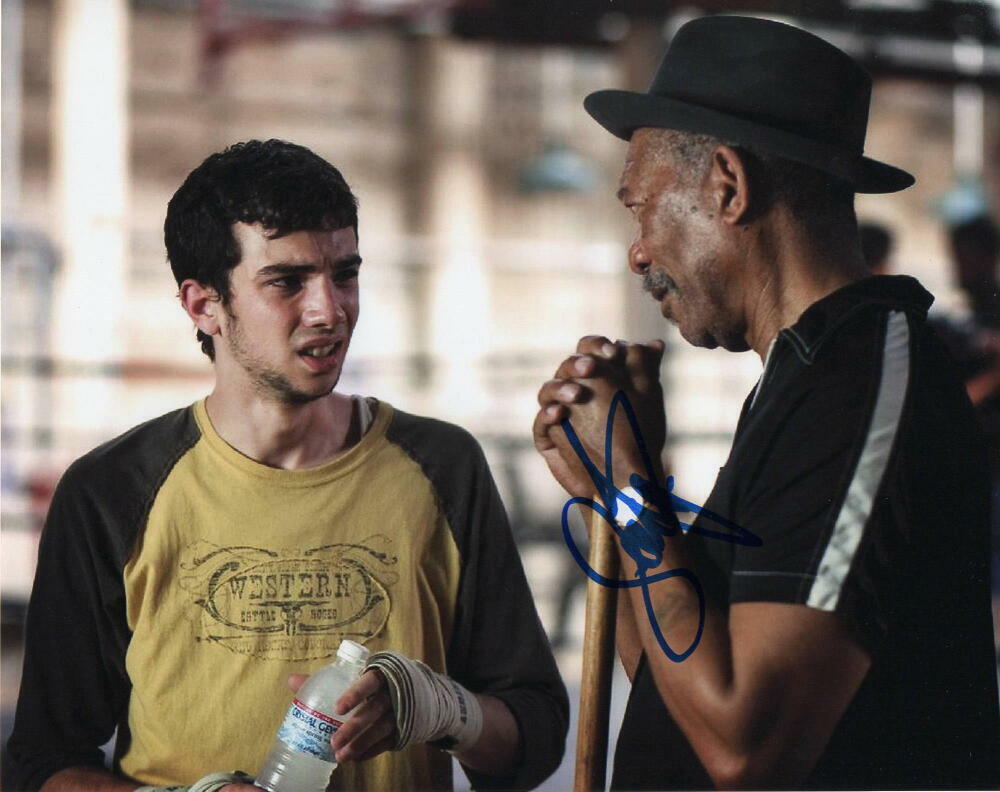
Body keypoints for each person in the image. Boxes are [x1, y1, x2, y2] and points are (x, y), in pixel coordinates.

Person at [8, 140, 567, 792]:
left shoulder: (442, 467)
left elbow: (538, 736)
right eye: (286, 281)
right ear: (203, 305)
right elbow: (44, 767)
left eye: (345, 274)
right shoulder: (114, 491)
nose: (329, 310)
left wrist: (438, 707)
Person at [532, 16, 999, 790]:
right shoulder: (800, 380)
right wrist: (609, 491)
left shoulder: (865, 381)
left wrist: (626, 480)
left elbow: (744, 747)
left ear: (728, 185)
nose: (637, 250)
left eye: (641, 206)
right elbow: (668, 671)